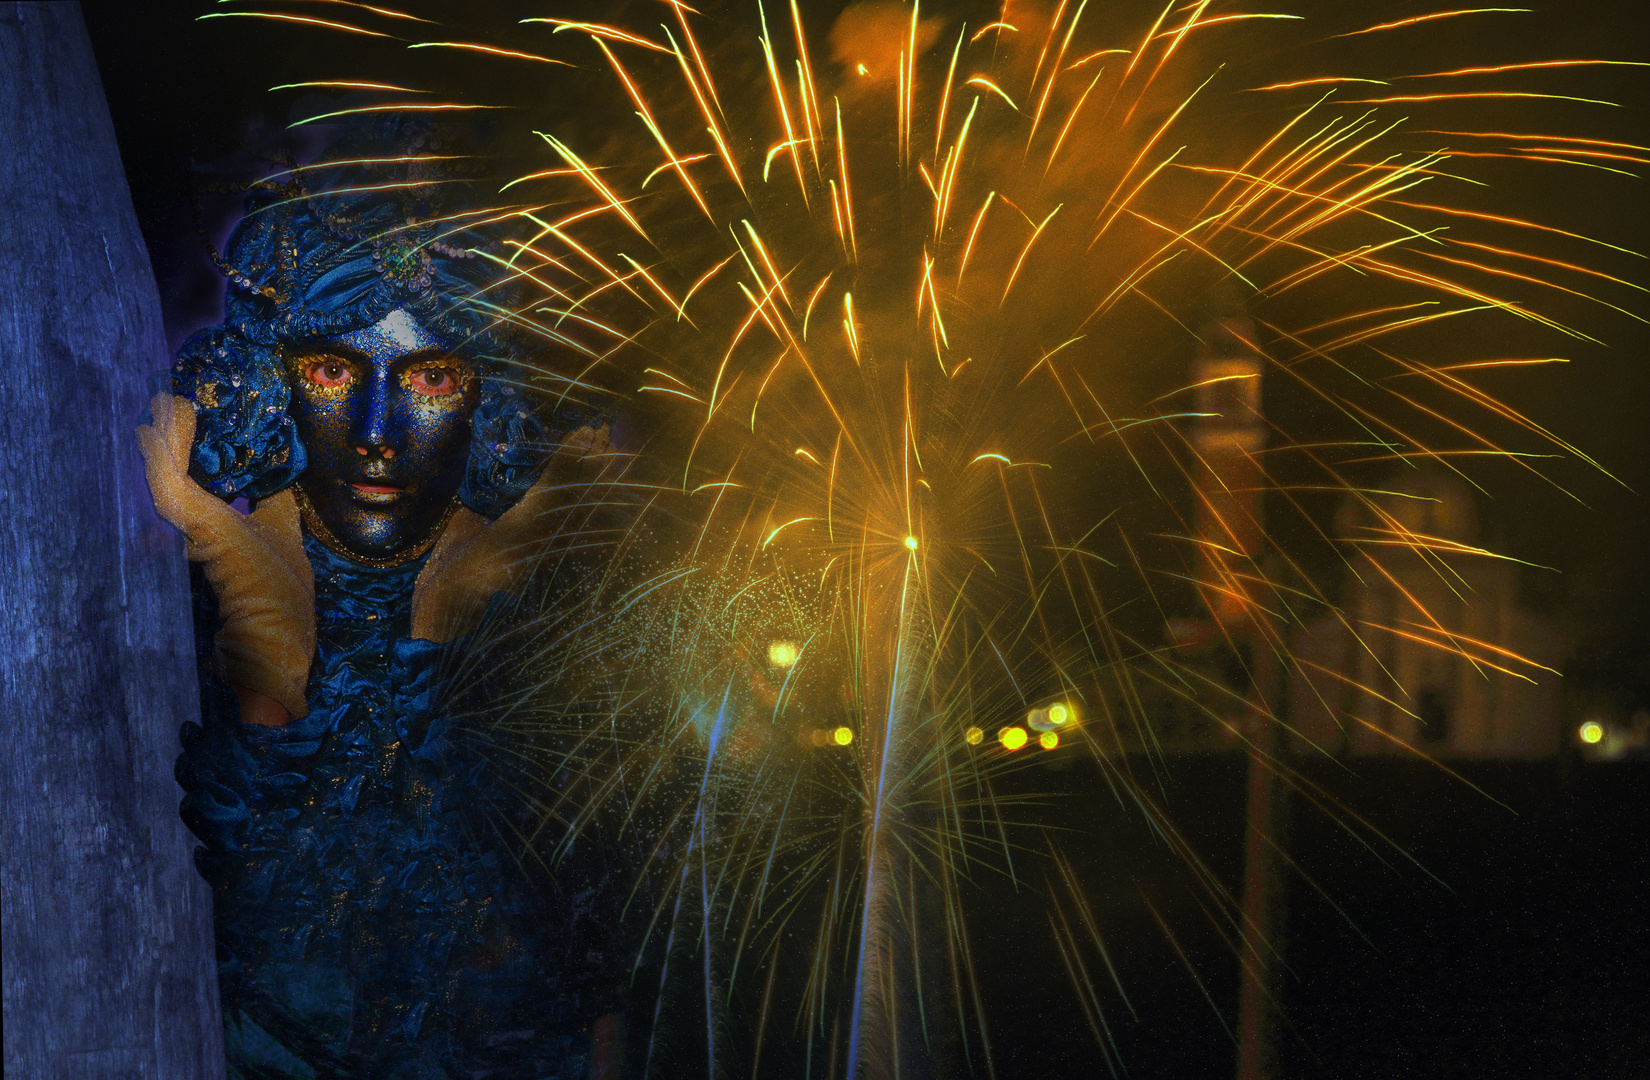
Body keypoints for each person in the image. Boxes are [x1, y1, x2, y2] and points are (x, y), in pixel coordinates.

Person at [137, 128, 628, 1079]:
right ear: (274, 382)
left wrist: (447, 623)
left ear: (486, 397)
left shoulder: (555, 636)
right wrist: (254, 601)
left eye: (430, 377)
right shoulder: (166, 603)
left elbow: (586, 962)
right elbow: (247, 935)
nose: (374, 435)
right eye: (330, 371)